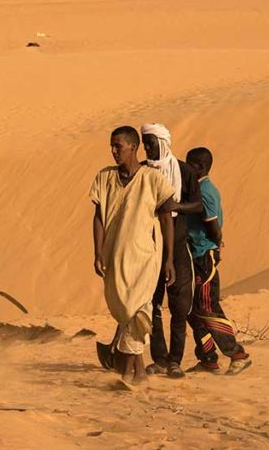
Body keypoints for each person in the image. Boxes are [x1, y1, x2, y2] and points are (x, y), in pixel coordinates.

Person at [91, 126, 176, 387]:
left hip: (144, 257)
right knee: (124, 311)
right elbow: (98, 217)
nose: (114, 151)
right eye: (112, 146)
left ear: (133, 147)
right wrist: (97, 251)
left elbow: (166, 218)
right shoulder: (104, 177)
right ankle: (139, 372)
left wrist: (169, 259)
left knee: (136, 310)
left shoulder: (153, 179)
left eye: (119, 145)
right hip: (114, 257)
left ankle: (126, 372)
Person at [141, 123, 202, 378]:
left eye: (151, 142)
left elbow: (198, 205)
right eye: (145, 143)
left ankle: (176, 360)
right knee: (152, 303)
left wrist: (173, 207)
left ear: (162, 143)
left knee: (179, 304)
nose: (147, 148)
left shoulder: (184, 171)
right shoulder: (142, 172)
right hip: (149, 243)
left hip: (177, 243)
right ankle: (160, 359)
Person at [185, 147, 252, 375]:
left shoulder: (205, 191)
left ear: (200, 167)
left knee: (206, 307)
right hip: (196, 255)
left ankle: (237, 354)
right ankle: (208, 359)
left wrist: (215, 246)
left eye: (190, 164)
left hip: (204, 255)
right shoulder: (198, 189)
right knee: (193, 311)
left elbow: (214, 227)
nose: (186, 168)